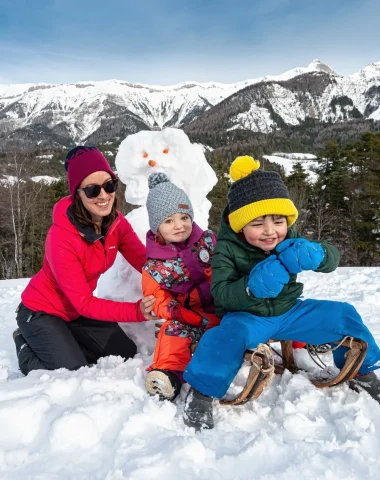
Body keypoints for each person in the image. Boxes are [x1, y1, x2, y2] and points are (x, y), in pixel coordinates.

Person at [182, 155, 380, 430]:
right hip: (248, 317)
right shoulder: (227, 249)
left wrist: (320, 253)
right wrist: (251, 288)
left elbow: (332, 259)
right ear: (240, 225)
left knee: (342, 315)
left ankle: (363, 370)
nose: (270, 232)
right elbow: (222, 293)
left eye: (278, 221)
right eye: (258, 223)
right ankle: (203, 391)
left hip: (290, 310)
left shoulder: (289, 238)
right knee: (223, 338)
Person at [13, 146, 156, 376]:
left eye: (109, 185)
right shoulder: (60, 238)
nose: (103, 195)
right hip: (41, 311)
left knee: (124, 351)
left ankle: (63, 343)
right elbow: (85, 303)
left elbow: (143, 260)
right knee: (71, 369)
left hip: (75, 313)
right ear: (77, 194)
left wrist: (173, 277)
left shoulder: (116, 223)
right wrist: (137, 311)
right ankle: (24, 344)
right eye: (92, 190)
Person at [142, 173, 220, 400]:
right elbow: (155, 297)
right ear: (157, 227)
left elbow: (228, 264)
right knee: (171, 332)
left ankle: (301, 345)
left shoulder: (209, 241)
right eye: (169, 221)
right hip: (188, 315)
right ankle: (169, 374)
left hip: (224, 307)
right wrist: (173, 310)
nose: (179, 225)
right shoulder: (155, 266)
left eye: (184, 217)